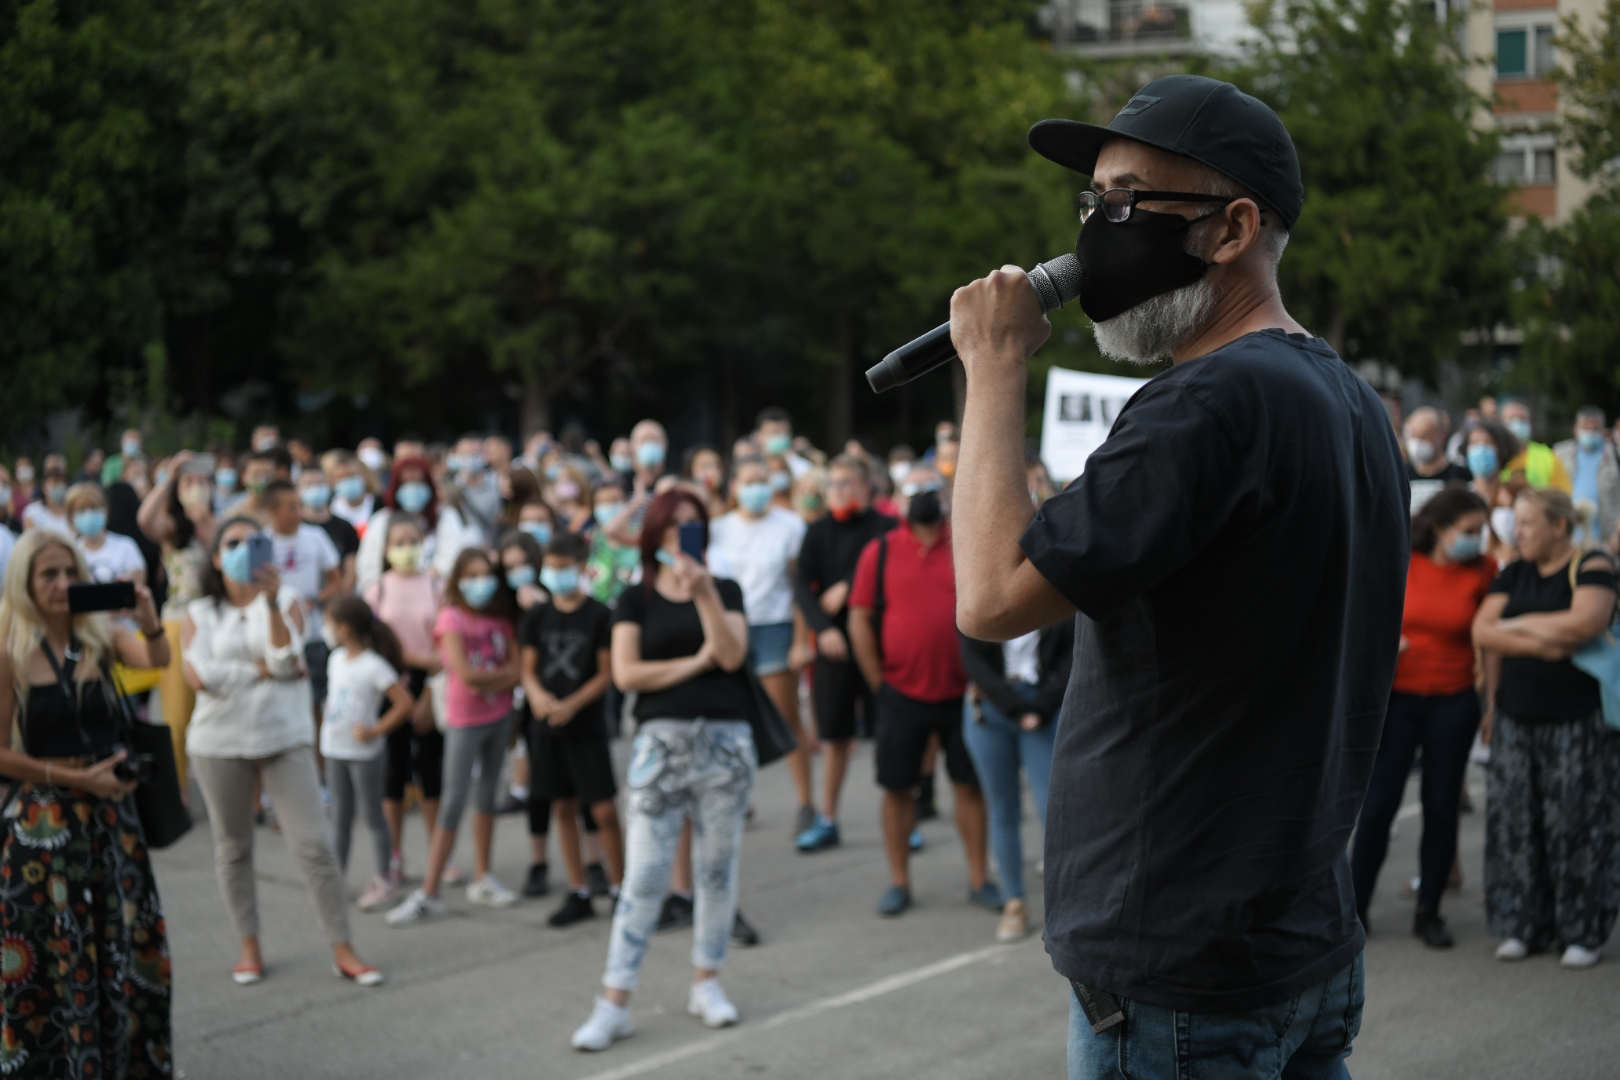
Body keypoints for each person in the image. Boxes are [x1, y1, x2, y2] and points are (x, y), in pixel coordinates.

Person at [948, 76, 1408, 1077]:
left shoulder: (1203, 403)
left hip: (1179, 965)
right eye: (1091, 206)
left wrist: (992, 371)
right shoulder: (1350, 399)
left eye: (1125, 202)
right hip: (1297, 937)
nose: (1098, 230)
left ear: (1232, 228)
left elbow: (989, 598)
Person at [569, 490, 754, 1051]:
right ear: (653, 535)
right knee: (645, 878)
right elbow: (627, 675)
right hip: (659, 746)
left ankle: (708, 982)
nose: (682, 536)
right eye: (671, 527)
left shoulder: (723, 590)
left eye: (692, 526)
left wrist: (702, 600)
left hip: (724, 746)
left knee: (717, 873)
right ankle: (614, 1001)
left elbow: (730, 656)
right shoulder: (635, 598)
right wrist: (691, 663)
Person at [183, 516, 383, 986]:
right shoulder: (199, 612)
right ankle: (249, 947)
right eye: (232, 543)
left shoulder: (288, 601)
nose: (242, 550)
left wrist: (270, 607)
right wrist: (259, 671)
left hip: (283, 735)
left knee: (313, 846)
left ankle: (343, 948)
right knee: (233, 848)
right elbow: (198, 678)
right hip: (218, 741)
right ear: (216, 556)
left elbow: (286, 663)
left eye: (254, 542)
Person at [0, 531, 173, 1075]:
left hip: (111, 826)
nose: (61, 585)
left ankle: (123, 1062)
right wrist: (63, 775)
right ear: (25, 583)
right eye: (48, 575)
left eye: (70, 573)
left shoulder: (101, 635)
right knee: (53, 958)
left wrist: (148, 614)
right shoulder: (10, 648)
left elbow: (158, 657)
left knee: (119, 949)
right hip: (44, 829)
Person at [1472, 488, 1620, 968]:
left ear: (1559, 526)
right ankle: (1521, 925)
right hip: (1515, 718)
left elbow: (1586, 623)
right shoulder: (1512, 571)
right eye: (1515, 522)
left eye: (1528, 522)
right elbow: (1482, 631)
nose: (1518, 532)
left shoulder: (1592, 564)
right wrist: (1544, 643)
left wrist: (1517, 628)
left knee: (1577, 824)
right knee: (1515, 825)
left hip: (1576, 723)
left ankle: (1582, 929)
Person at [846, 465, 995, 917]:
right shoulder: (881, 551)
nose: (924, 497)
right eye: (915, 490)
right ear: (899, 497)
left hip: (961, 693)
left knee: (969, 786)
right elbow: (859, 617)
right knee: (897, 789)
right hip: (900, 693)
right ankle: (899, 880)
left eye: (931, 489)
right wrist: (878, 680)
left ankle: (978, 878)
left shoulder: (966, 545)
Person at [1351, 487, 1495, 949]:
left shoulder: (1484, 570)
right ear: (1439, 528)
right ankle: (1354, 909)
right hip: (1397, 700)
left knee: (1441, 804)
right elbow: (1365, 616)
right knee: (1377, 807)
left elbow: (1489, 641)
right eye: (1469, 531)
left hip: (1454, 701)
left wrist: (1490, 701)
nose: (1478, 539)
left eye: (1481, 531)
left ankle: (1428, 910)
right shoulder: (1402, 558)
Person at [386, 548, 523, 924]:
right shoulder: (451, 618)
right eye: (472, 575)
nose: (480, 583)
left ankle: (484, 876)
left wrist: (495, 679)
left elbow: (516, 668)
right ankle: (430, 891)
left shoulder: (499, 618)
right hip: (466, 719)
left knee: (488, 796)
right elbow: (468, 674)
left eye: (486, 574)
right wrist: (501, 678)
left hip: (498, 716)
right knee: (453, 800)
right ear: (459, 581)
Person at [792, 455, 896, 855]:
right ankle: (828, 819)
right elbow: (802, 586)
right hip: (833, 650)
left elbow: (888, 575)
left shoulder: (886, 529)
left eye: (846, 484)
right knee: (834, 736)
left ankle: (901, 814)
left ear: (866, 489)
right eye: (832, 485)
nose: (837, 492)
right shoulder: (817, 532)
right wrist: (824, 630)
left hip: (878, 646)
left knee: (887, 733)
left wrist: (849, 587)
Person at [521, 532, 623, 927]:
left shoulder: (598, 615)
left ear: (582, 568)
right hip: (546, 727)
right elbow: (527, 669)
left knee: (602, 809)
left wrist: (573, 704)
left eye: (565, 568)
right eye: (552, 567)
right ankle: (578, 888)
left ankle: (619, 886)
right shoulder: (537, 617)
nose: (557, 575)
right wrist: (537, 696)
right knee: (560, 805)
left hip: (587, 725)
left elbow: (606, 673)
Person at [708, 457, 812, 834]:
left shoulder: (790, 526)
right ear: (733, 486)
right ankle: (740, 798)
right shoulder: (718, 529)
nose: (757, 489)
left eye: (762, 481)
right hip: (731, 629)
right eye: (749, 481)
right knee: (734, 720)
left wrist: (801, 639)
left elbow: (799, 588)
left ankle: (806, 801)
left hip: (775, 627)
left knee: (786, 715)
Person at [959, 615, 1073, 943]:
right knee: (1002, 809)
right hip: (992, 707)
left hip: (1043, 704)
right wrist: (1015, 710)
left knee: (1051, 806)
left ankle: (1066, 906)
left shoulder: (1051, 579)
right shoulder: (983, 581)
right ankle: (1015, 902)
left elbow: (1071, 655)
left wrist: (1041, 707)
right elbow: (972, 656)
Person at [363, 514, 447, 888]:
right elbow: (375, 646)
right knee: (393, 774)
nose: (406, 549)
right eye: (398, 542)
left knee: (432, 772)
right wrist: (413, 662)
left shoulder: (437, 584)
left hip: (432, 687)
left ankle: (438, 852)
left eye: (413, 540)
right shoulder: (377, 589)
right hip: (390, 687)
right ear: (385, 549)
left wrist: (429, 689)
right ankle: (394, 854)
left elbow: (447, 639)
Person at [322, 595, 415, 912]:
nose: (327, 628)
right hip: (335, 750)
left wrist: (375, 730)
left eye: (330, 623)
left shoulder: (374, 665)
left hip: (364, 755)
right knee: (341, 817)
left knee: (373, 815)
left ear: (344, 628)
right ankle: (337, 876)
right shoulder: (335, 658)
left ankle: (385, 878)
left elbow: (404, 704)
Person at [137, 451, 218, 788]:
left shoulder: (217, 525)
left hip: (213, 624)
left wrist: (207, 522)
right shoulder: (172, 527)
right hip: (177, 624)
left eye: (201, 481)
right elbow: (145, 520)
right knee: (176, 712)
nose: (196, 488)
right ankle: (178, 789)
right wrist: (167, 478)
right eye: (189, 482)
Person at [263, 480, 343, 738]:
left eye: (300, 506)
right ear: (273, 510)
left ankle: (318, 766)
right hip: (275, 633)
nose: (299, 513)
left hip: (313, 633)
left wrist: (313, 600)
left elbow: (335, 581)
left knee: (315, 701)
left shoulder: (315, 537)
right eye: (291, 508)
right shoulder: (262, 542)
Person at [355, 455, 439, 596]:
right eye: (406, 483)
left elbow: (449, 563)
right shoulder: (381, 520)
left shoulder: (444, 517)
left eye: (418, 483)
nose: (412, 488)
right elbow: (368, 567)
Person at [1554, 406, 1620, 546]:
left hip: (1606, 541)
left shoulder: (1615, 455)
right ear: (1576, 429)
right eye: (1586, 427)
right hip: (1568, 539)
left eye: (1595, 429)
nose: (1590, 432)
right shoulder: (1559, 453)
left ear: (1603, 430)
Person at [65, 482, 147, 588]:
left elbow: (138, 583)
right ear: (71, 517)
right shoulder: (71, 552)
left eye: (94, 508)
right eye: (81, 510)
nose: (88, 514)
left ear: (105, 510)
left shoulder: (126, 546)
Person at [300, 465, 360, 593]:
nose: (315, 489)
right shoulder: (297, 527)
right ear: (299, 490)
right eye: (309, 484)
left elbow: (351, 571)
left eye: (320, 483)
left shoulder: (345, 526)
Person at [1405, 406, 1471, 512]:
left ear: (1442, 437)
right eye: (1414, 435)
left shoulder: (1461, 476)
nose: (1418, 442)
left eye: (1425, 435)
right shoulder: (1401, 475)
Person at [1499, 399, 1572, 493]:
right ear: (1501, 423)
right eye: (1512, 419)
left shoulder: (1547, 456)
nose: (1518, 424)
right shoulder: (1494, 454)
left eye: (1522, 419)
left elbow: (1564, 494)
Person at [324, 450, 376, 532]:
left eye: (351, 475)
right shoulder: (330, 510)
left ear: (362, 475)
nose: (347, 480)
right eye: (341, 477)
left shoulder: (379, 504)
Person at [21, 461, 70, 535]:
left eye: (62, 483)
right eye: (55, 482)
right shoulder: (32, 513)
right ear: (44, 487)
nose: (59, 486)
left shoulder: (72, 512)